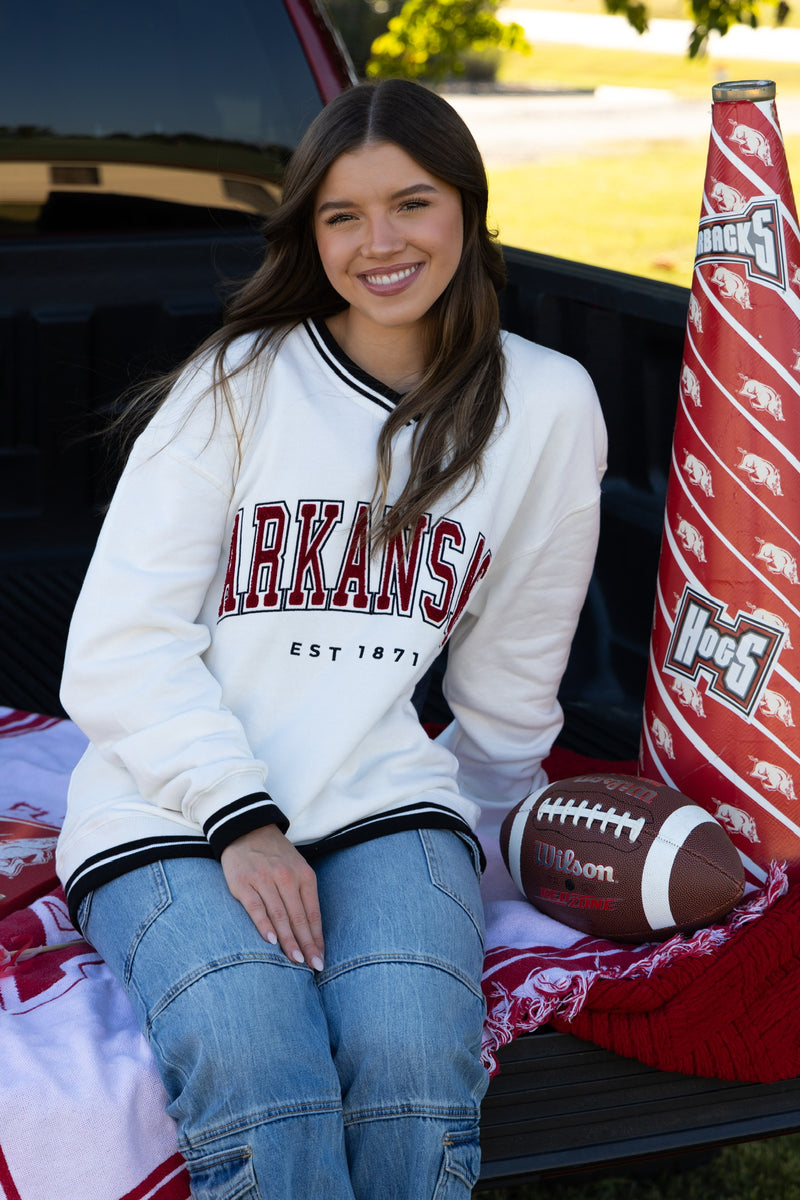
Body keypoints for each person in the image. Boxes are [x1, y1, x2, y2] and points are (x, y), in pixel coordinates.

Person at [56, 78, 607, 1199]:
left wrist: (475, 854)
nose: (379, 242)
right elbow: (117, 642)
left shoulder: (546, 404)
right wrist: (242, 819)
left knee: (410, 1056)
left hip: (380, 801)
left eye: (410, 203)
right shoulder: (239, 384)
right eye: (340, 215)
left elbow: (509, 678)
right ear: (309, 232)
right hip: (172, 808)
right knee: (266, 1069)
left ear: (466, 207)